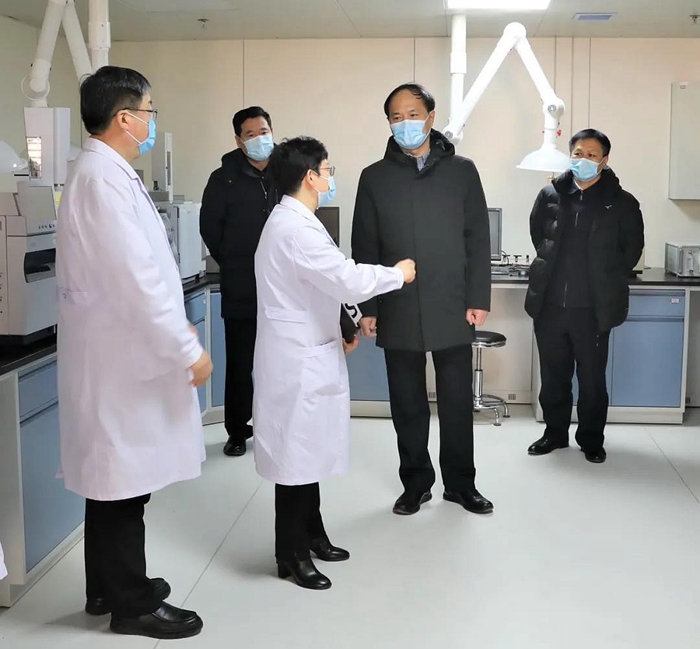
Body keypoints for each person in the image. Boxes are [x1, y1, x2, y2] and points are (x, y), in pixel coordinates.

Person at [56, 66, 212, 639]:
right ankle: (131, 605)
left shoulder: (106, 173)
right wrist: (186, 347)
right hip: (121, 361)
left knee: (114, 481)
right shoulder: (101, 179)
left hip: (119, 354)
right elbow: (137, 279)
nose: (151, 121)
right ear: (125, 118)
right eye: (148, 112)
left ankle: (106, 587)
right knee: (122, 486)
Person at [253, 137, 415, 590]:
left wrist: (351, 321)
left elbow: (322, 284)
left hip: (309, 350)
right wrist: (397, 274)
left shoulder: (298, 221)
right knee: (295, 459)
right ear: (310, 177)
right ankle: (291, 555)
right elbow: (346, 278)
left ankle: (313, 535)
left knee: (308, 453)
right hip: (296, 360)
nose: (330, 177)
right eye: (327, 170)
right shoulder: (295, 229)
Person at [351, 83, 493, 517]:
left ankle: (461, 485)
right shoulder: (374, 177)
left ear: (431, 116)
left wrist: (478, 296)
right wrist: (367, 306)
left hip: (452, 301)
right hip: (397, 303)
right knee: (407, 403)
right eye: (396, 117)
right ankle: (415, 484)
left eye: (413, 114)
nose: (405, 123)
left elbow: (478, 238)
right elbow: (365, 245)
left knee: (456, 402)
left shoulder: (462, 171)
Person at [525, 129, 644, 464]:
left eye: (592, 155)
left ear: (604, 161)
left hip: (592, 308)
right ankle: (554, 434)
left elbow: (631, 249)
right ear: (570, 155)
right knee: (553, 377)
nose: (584, 160)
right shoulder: (550, 194)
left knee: (591, 381)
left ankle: (591, 440)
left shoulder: (621, 202)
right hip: (550, 305)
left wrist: (605, 276)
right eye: (578, 153)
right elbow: (538, 235)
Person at [200, 106, 277, 457]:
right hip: (242, 286)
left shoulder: (286, 172)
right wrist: (234, 261)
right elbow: (210, 228)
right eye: (251, 134)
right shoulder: (223, 178)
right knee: (240, 364)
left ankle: (275, 424)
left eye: (264, 131)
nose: (260, 139)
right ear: (239, 141)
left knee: (279, 361)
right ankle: (237, 430)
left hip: (281, 288)